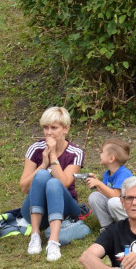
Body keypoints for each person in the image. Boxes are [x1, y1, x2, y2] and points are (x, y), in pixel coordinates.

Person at [20, 106, 86, 261]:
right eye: (45, 128)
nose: (48, 132)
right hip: (38, 210)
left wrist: (53, 156)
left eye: (54, 128)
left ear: (66, 129)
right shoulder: (35, 148)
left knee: (54, 183)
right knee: (42, 174)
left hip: (65, 208)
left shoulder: (76, 152)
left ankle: (53, 242)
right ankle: (35, 235)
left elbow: (64, 183)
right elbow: (24, 187)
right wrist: (43, 164)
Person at [81, 139, 134, 229]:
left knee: (113, 202)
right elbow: (105, 192)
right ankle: (108, 227)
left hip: (130, 210)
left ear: (111, 158)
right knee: (94, 196)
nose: (100, 154)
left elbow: (115, 195)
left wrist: (99, 184)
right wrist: (96, 183)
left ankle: (128, 227)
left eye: (102, 152)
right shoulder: (108, 173)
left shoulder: (124, 173)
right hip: (116, 207)